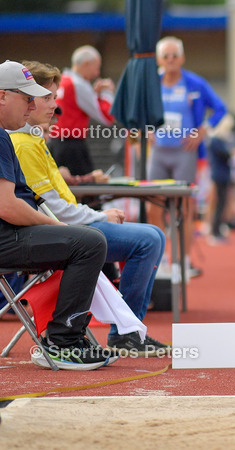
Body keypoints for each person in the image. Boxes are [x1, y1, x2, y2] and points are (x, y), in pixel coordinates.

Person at [11, 61, 170, 357]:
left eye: (55, 98)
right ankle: (124, 333)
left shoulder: (34, 140)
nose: (56, 107)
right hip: (59, 232)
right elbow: (53, 209)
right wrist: (99, 215)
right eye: (48, 98)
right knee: (148, 240)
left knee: (154, 235)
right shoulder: (25, 144)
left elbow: (56, 200)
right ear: (27, 101)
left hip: (62, 228)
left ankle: (127, 330)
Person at [0, 60, 115, 370]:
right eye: (27, 98)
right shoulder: (4, 138)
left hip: (8, 233)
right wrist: (54, 223)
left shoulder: (8, 137)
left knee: (85, 239)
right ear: (2, 97)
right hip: (5, 237)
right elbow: (7, 206)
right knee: (90, 243)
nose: (32, 106)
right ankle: (63, 341)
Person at [147, 36, 227, 274]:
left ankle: (182, 261)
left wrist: (202, 132)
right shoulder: (153, 83)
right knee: (154, 207)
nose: (170, 60)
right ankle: (158, 261)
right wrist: (145, 130)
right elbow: (138, 112)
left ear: (181, 58)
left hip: (185, 152)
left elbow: (220, 109)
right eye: (166, 56)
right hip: (159, 151)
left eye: (174, 55)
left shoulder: (194, 83)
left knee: (184, 207)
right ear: (159, 59)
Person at [49, 45, 116, 178]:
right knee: (87, 189)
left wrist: (95, 96)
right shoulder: (78, 84)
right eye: (96, 68)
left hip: (55, 142)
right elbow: (107, 116)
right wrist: (108, 92)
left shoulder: (61, 80)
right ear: (86, 64)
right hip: (72, 146)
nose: (97, 73)